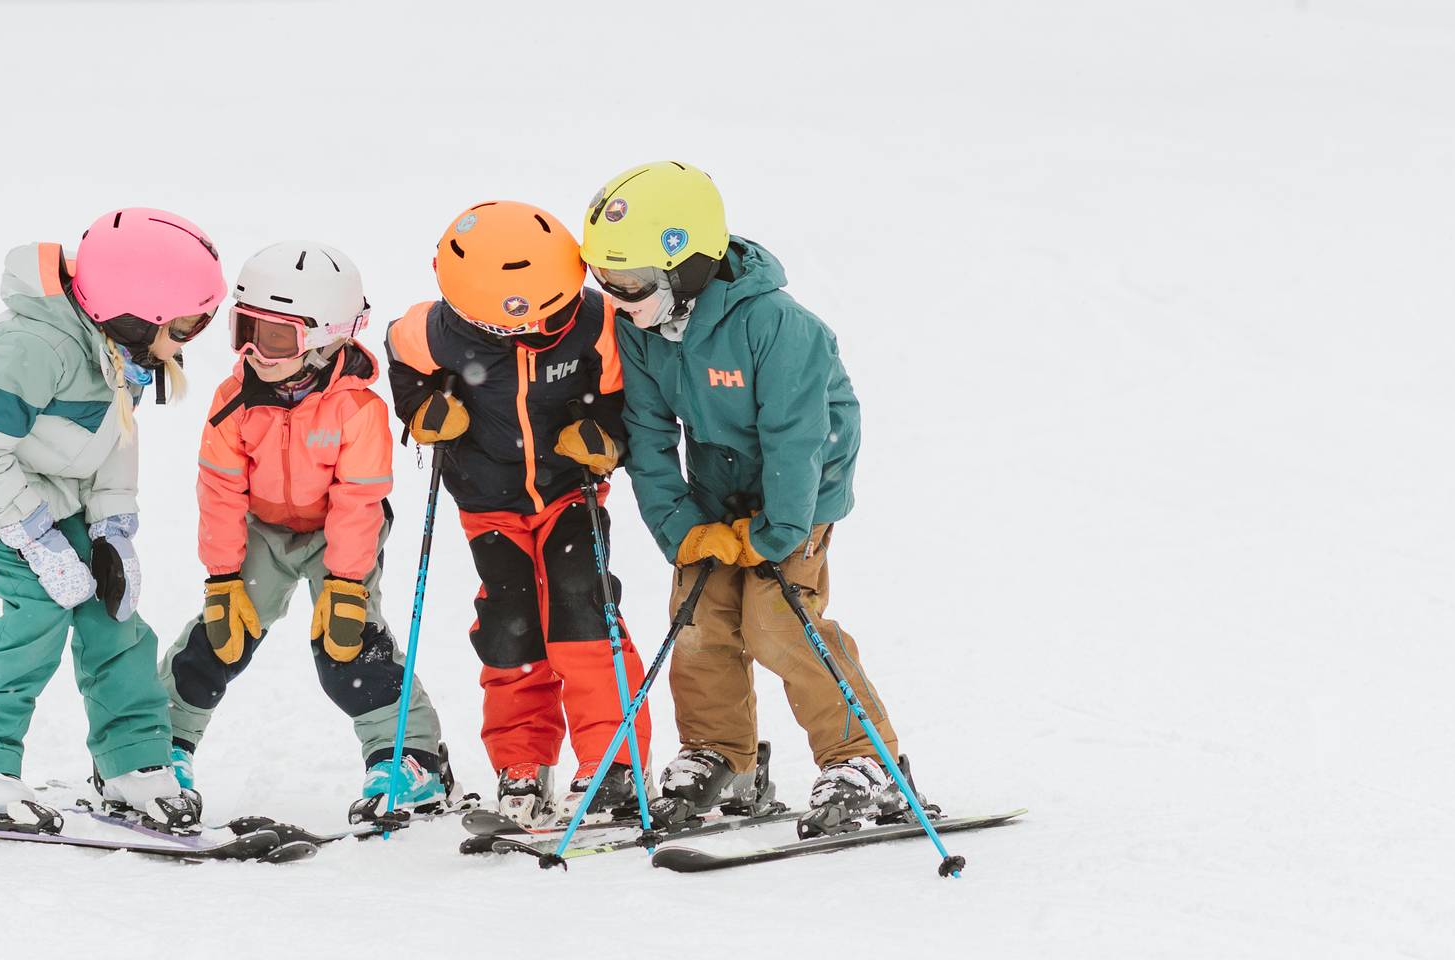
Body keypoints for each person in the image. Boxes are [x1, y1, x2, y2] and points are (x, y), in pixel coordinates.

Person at [580, 161, 917, 835]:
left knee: (776, 622)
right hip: (718, 492)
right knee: (699, 620)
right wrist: (681, 526)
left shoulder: (779, 326)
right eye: (604, 279)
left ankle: (863, 759)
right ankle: (720, 754)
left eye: (631, 282)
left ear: (686, 265)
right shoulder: (642, 329)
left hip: (800, 493)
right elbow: (647, 435)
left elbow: (797, 438)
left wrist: (776, 532)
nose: (616, 298)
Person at [0, 207, 220, 826]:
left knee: (111, 609)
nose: (190, 338)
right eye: (187, 323)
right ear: (135, 314)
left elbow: (112, 438)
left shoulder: (118, 348)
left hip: (43, 481)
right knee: (41, 608)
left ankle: (132, 760)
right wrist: (35, 537)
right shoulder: (35, 347)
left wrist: (112, 528)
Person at [156, 241, 453, 818]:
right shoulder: (233, 401)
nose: (252, 351)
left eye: (273, 338)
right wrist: (223, 578)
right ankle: (157, 746)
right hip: (261, 530)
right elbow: (220, 491)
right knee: (221, 635)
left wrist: (346, 583)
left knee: (348, 646)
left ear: (326, 337)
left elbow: (358, 500)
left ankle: (409, 758)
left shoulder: (358, 409)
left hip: (337, 535)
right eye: (244, 331)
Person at [385, 201, 641, 826]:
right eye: (520, 325)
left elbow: (627, 396)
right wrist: (421, 410)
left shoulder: (597, 323)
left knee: (582, 606)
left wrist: (606, 438)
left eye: (551, 315)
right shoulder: (436, 332)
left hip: (570, 491)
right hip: (488, 502)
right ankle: (521, 760)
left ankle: (613, 762)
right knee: (509, 623)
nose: (539, 331)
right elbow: (400, 352)